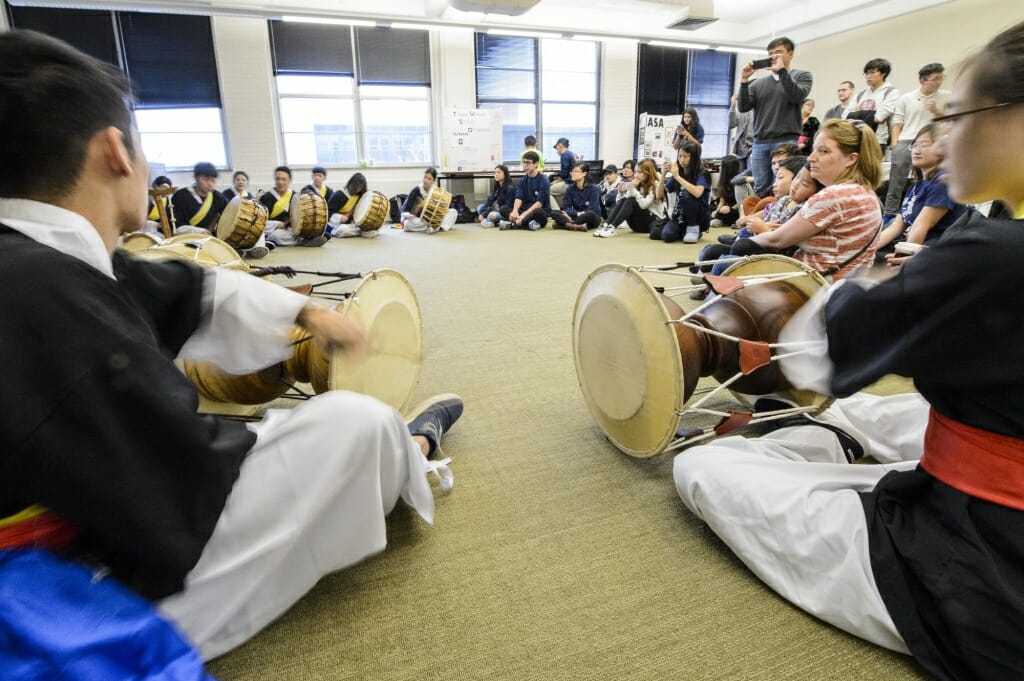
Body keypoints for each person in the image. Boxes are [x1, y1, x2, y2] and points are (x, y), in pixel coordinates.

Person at [0, 29, 465, 664]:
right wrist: (272, 427)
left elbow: (183, 289)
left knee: (283, 425)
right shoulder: (43, 294)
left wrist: (306, 310)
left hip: (89, 515)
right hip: (71, 591)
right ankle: (413, 445)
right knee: (353, 425)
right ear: (115, 150)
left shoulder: (39, 258)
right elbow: (180, 480)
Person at [676, 20, 1024, 681]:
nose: (938, 141)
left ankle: (834, 454)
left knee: (708, 469)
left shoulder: (992, 256)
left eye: (954, 116)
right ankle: (837, 444)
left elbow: (815, 352)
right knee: (868, 413)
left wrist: (871, 287)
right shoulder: (992, 234)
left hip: (985, 577)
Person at [735, 119, 882, 280]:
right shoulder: (865, 192)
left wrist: (744, 242)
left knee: (738, 248)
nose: (811, 158)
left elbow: (777, 240)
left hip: (812, 287)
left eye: (823, 151)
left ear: (851, 159)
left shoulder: (834, 195)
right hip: (846, 286)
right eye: (813, 150)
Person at [876, 123, 966, 258]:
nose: (916, 151)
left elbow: (920, 226)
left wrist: (902, 263)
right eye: (914, 145)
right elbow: (896, 227)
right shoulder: (915, 187)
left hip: (938, 256)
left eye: (924, 145)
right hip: (919, 250)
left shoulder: (942, 182)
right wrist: (864, 251)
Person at [738, 36, 813, 198]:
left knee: (784, 185)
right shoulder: (758, 83)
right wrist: (744, 80)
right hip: (760, 142)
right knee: (761, 187)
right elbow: (743, 107)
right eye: (771, 53)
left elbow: (796, 96)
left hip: (786, 140)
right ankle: (762, 219)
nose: (773, 57)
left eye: (778, 52)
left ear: (790, 53)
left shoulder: (802, 76)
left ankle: (780, 220)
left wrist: (782, 72)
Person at [883, 63, 949, 218]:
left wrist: (937, 111)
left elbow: (952, 119)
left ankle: (920, 213)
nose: (939, 82)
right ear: (922, 80)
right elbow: (897, 121)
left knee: (929, 179)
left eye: (941, 78)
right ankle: (889, 215)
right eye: (935, 79)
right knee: (896, 182)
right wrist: (895, 143)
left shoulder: (946, 96)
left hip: (933, 141)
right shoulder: (906, 98)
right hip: (907, 140)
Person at [652, 141, 711, 244]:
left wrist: (677, 177)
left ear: (694, 157)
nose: (682, 160)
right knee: (666, 236)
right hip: (680, 216)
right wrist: (663, 175)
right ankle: (684, 232)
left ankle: (693, 229)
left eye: (686, 156)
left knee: (687, 194)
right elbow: (659, 195)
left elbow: (697, 193)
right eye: (680, 156)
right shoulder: (678, 172)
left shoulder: (702, 173)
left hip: (698, 216)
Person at [594, 158, 666, 238]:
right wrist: (621, 192)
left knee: (632, 200)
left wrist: (632, 189)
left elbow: (644, 205)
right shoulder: (637, 183)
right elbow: (620, 202)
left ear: (647, 173)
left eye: (639, 172)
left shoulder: (655, 184)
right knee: (627, 199)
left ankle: (613, 227)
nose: (636, 175)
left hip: (651, 222)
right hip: (635, 225)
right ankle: (606, 225)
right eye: (635, 172)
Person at [850, 58, 900, 153]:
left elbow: (880, 116)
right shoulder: (861, 94)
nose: (868, 76)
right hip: (857, 139)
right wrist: (871, 114)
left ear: (883, 73)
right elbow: (846, 116)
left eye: (872, 73)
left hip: (877, 141)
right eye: (866, 73)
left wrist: (857, 114)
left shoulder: (891, 92)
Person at [172, 161, 227, 236]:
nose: (210, 184)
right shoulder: (180, 196)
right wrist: (197, 231)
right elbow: (175, 226)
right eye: (205, 179)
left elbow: (228, 214)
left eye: (213, 180)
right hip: (185, 239)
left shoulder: (218, 197)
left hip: (209, 238)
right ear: (196, 178)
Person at [401, 167, 457, 234]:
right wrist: (409, 215)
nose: (426, 180)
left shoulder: (435, 191)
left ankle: (437, 227)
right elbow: (405, 210)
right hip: (419, 219)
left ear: (433, 181)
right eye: (425, 177)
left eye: (429, 179)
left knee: (453, 212)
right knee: (407, 224)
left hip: (432, 218)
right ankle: (435, 227)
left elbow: (441, 209)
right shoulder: (416, 190)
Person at [506, 151, 549, 231]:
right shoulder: (522, 180)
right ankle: (528, 223)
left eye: (528, 163)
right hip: (524, 209)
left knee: (539, 212)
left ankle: (515, 223)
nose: (525, 165)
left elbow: (539, 203)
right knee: (504, 209)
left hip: (536, 210)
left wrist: (523, 215)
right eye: (524, 162)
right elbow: (519, 197)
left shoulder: (544, 180)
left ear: (536, 164)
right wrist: (515, 211)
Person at [551, 163, 601, 231]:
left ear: (584, 173)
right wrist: (576, 213)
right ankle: (576, 226)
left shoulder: (594, 189)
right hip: (576, 215)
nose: (572, 173)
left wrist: (575, 215)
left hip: (589, 217)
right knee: (554, 212)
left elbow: (593, 208)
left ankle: (565, 225)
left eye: (576, 171)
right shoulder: (570, 188)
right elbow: (566, 207)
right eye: (572, 171)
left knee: (590, 214)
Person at [326, 172, 376, 238]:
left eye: (360, 187)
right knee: (343, 230)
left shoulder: (359, 196)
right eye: (356, 186)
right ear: (350, 184)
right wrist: (339, 217)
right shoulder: (339, 194)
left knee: (372, 227)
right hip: (334, 224)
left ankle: (362, 231)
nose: (358, 189)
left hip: (349, 224)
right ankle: (362, 233)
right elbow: (327, 212)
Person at [476, 164, 516, 228]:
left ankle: (489, 222)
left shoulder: (510, 188)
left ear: (505, 174)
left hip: (505, 212)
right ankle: (490, 222)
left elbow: (507, 207)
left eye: (499, 172)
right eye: (495, 173)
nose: (496, 175)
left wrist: (485, 213)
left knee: (492, 215)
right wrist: (482, 212)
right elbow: (490, 200)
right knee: (480, 207)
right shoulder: (498, 187)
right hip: (498, 209)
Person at [710, 155, 742, 229]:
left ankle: (721, 220)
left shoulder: (739, 181)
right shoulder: (723, 181)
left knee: (726, 211)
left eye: (722, 166)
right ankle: (719, 218)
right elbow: (722, 200)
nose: (720, 167)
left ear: (728, 169)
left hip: (738, 208)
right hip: (726, 208)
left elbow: (742, 201)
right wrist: (717, 211)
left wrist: (730, 208)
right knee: (710, 208)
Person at [728, 95, 753, 171]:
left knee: (752, 175)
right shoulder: (740, 109)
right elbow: (731, 125)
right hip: (740, 149)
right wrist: (733, 106)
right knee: (741, 177)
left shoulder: (759, 110)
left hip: (753, 148)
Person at [548, 137, 575, 209]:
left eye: (556, 148)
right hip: (573, 182)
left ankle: (557, 212)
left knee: (546, 191)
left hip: (569, 183)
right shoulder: (570, 153)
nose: (556, 151)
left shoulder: (564, 155)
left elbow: (564, 174)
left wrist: (555, 181)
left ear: (560, 145)